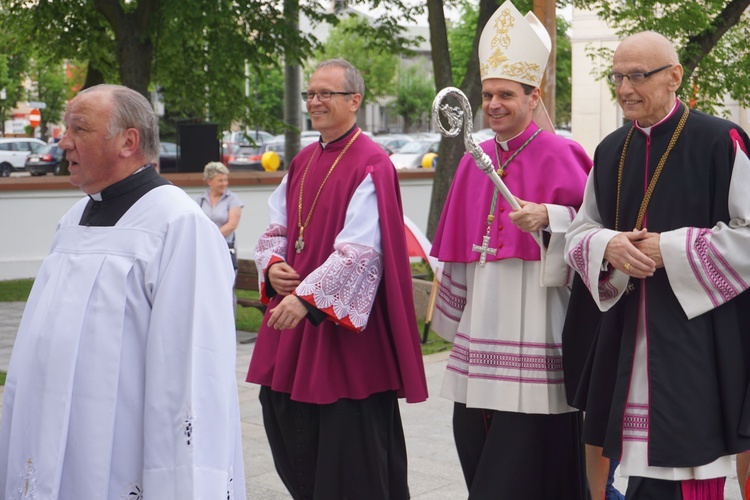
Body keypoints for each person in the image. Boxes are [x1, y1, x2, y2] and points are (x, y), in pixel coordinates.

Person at [0, 84, 246, 499]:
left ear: (128, 141)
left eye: (79, 128)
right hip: (51, 433)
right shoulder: (74, 218)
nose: (63, 141)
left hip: (122, 450)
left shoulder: (177, 225)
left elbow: (190, 369)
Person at [564, 31, 750, 499]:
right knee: (630, 471)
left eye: (638, 76)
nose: (625, 88)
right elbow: (580, 231)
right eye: (618, 76)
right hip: (627, 334)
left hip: (696, 341)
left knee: (688, 470)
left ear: (674, 77)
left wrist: (667, 249)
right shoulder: (609, 150)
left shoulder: (719, 140)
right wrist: (607, 245)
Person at [429, 2, 592, 497]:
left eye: (506, 94)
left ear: (533, 94)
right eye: (488, 95)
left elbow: (596, 238)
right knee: (476, 451)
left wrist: (551, 218)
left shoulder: (564, 154)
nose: (494, 104)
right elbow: (459, 251)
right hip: (480, 336)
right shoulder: (472, 161)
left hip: (537, 331)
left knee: (525, 468)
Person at [246, 59, 428, 499]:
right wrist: (272, 264)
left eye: (326, 93)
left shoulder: (372, 163)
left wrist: (307, 299)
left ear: (355, 101)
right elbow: (277, 228)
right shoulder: (304, 159)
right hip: (296, 322)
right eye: (310, 94)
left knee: (349, 444)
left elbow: (362, 251)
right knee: (283, 415)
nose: (315, 101)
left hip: (344, 333)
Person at [196, 161, 244, 269]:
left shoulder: (232, 199)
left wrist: (211, 237)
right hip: (204, 249)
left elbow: (232, 225)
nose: (224, 183)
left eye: (226, 180)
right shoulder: (200, 200)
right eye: (220, 180)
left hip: (224, 247)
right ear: (209, 181)